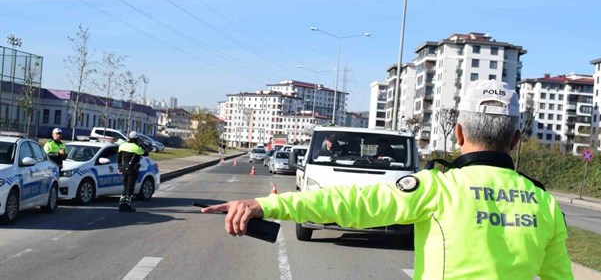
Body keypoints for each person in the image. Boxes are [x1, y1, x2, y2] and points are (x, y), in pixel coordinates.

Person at [201, 80, 573, 279]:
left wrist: (265, 205)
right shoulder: (544, 203)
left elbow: (347, 202)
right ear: (516, 140)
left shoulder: (437, 188)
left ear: (458, 133)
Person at [117, 131, 148, 212]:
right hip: (133, 169)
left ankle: (121, 204)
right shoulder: (136, 148)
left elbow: (119, 158)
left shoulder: (122, 146)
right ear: (136, 139)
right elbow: (146, 153)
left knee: (125, 185)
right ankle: (127, 205)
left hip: (124, 168)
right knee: (130, 187)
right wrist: (142, 145)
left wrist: (119, 167)